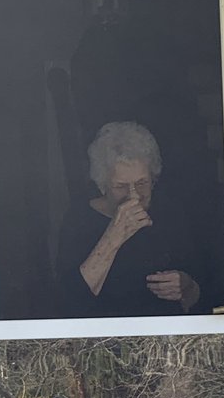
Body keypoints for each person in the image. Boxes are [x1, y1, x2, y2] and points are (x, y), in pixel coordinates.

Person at [57, 121, 204, 317]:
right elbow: (71, 300)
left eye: (142, 183)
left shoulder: (171, 213)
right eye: (121, 186)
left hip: (165, 338)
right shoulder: (79, 220)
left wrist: (186, 286)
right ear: (102, 185)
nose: (134, 195)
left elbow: (202, 291)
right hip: (103, 340)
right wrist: (115, 233)